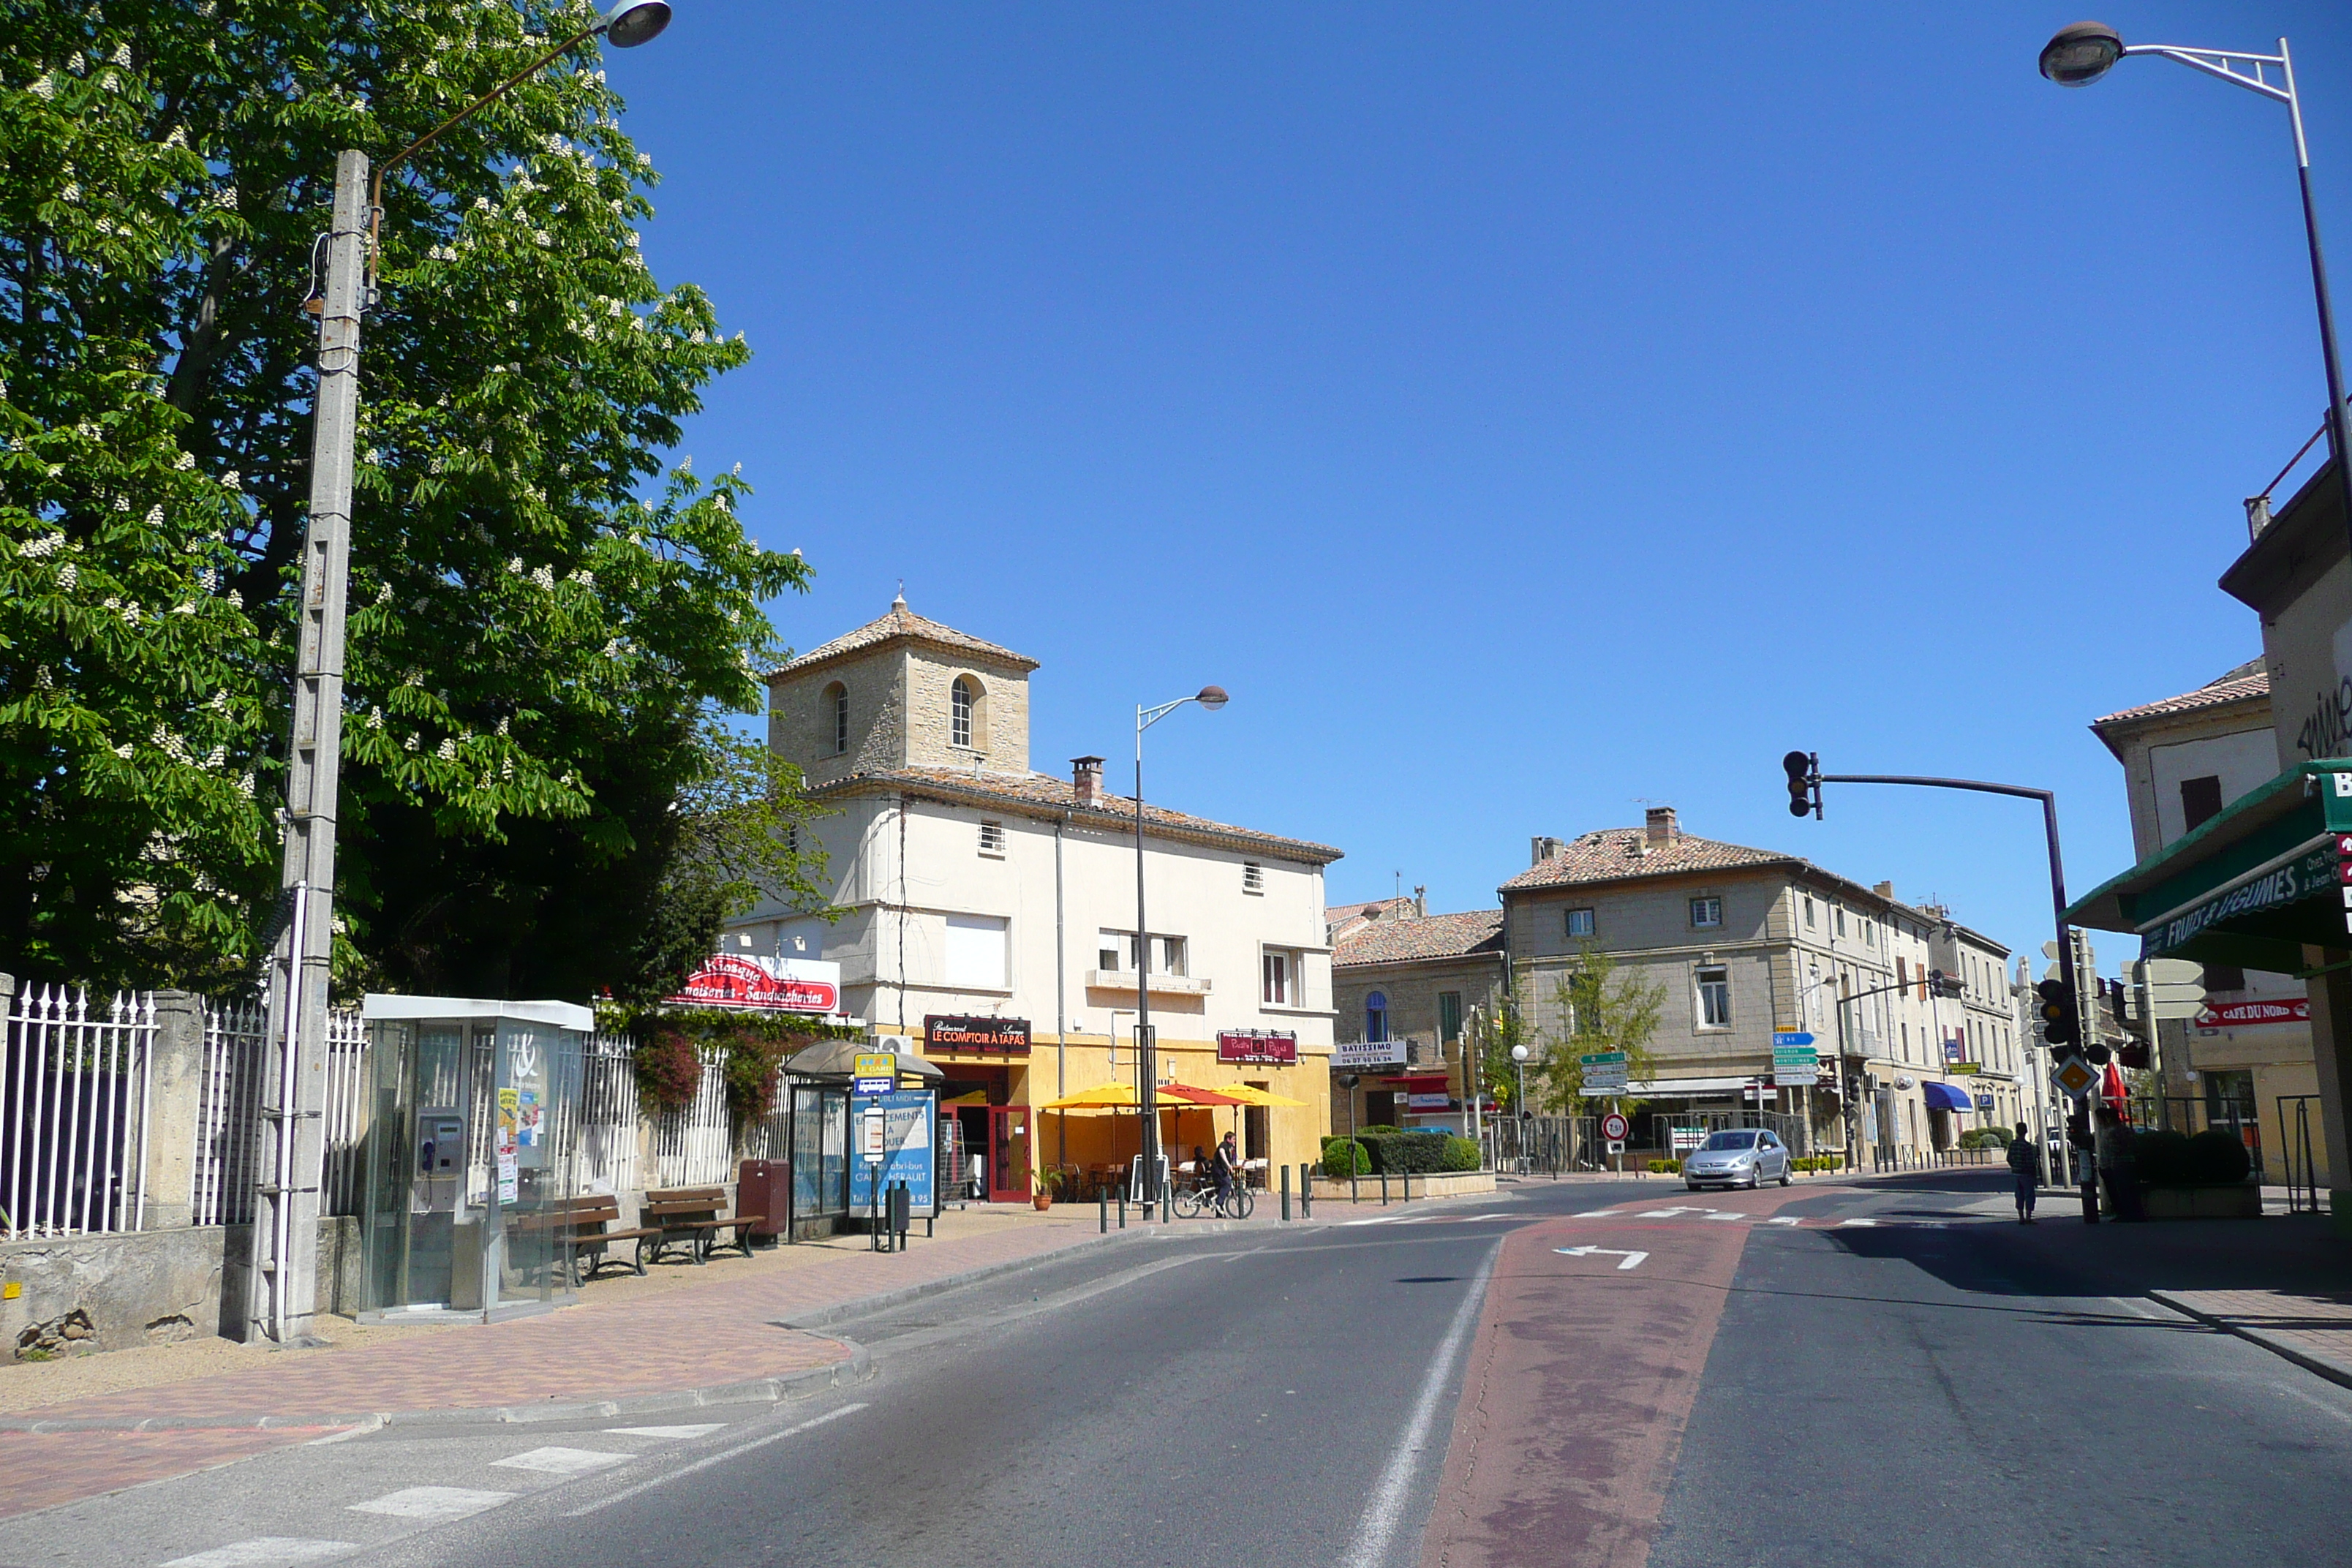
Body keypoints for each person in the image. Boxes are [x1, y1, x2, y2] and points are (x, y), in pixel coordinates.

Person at [2005, 1121, 2043, 1224]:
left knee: (2019, 1195)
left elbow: (2009, 1158)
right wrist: (2035, 1176)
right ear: (2026, 1132)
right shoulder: (2027, 1146)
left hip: (2016, 1173)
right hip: (2026, 1174)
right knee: (2029, 1195)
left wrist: (2014, 1166)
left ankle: (2021, 1217)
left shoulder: (2013, 1144)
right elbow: (2031, 1162)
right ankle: (2028, 1217)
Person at [1213, 1131, 1239, 1213]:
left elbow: (1233, 1157)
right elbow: (1221, 1152)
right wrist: (1228, 1165)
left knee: (1221, 1189)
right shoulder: (1224, 1145)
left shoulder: (1230, 1147)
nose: (1235, 1141)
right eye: (1233, 1139)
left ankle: (1220, 1212)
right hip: (1218, 1170)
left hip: (1222, 1170)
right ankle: (1218, 1203)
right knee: (1227, 1184)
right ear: (1228, 1139)